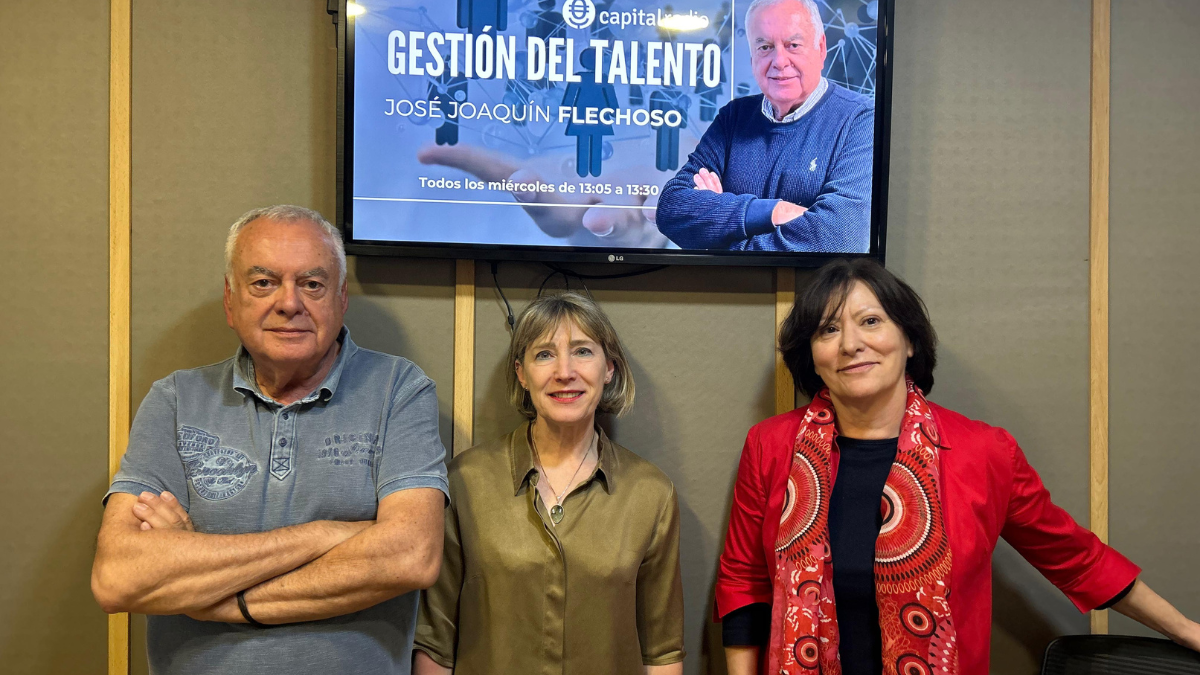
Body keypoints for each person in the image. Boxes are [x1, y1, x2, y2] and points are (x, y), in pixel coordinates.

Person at [716, 258, 1200, 674]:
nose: (850, 344)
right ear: (812, 358)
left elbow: (1077, 558)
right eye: (828, 329)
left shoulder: (985, 451)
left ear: (908, 342)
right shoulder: (771, 445)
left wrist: (1187, 631)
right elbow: (742, 581)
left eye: (870, 321)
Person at [90, 205, 448, 674]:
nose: (289, 303)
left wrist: (217, 594)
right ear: (229, 300)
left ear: (341, 298)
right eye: (263, 283)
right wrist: (328, 535)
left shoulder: (398, 389)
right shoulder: (175, 399)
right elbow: (118, 577)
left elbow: (410, 556)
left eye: (312, 284)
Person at [413, 292, 685, 675]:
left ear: (609, 368)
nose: (564, 371)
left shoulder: (651, 493)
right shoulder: (465, 482)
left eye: (582, 352)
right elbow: (434, 641)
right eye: (544, 354)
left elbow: (662, 651)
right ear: (522, 373)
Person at [655, 0, 874, 253]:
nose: (779, 61)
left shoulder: (860, 119)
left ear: (821, 48)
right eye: (765, 47)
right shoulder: (733, 118)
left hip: (812, 292)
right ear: (752, 58)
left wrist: (722, 239)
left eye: (793, 45)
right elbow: (671, 208)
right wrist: (774, 212)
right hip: (728, 293)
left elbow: (840, 237)